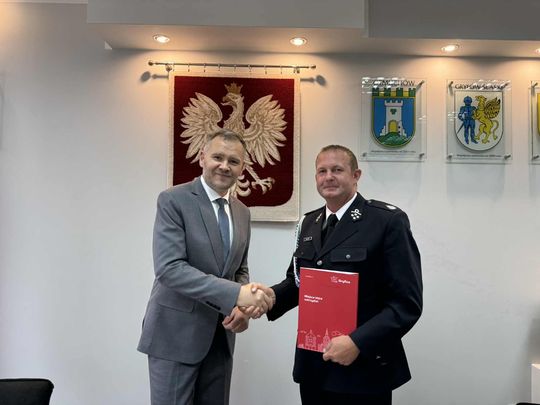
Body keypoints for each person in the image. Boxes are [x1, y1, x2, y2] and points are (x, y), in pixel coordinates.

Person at [266, 145, 422, 405]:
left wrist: (358, 342)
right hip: (314, 366)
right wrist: (268, 297)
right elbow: (298, 282)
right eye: (322, 171)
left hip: (363, 369)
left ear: (355, 175)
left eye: (337, 170)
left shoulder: (386, 221)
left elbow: (406, 304)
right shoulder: (309, 223)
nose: (328, 177)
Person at [137, 129, 273, 405]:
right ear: (202, 158)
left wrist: (241, 308)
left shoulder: (242, 212)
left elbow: (239, 269)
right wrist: (236, 294)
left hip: (221, 338)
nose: (224, 166)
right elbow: (170, 269)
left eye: (233, 161)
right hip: (174, 337)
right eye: (217, 157)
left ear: (242, 168)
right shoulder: (173, 200)